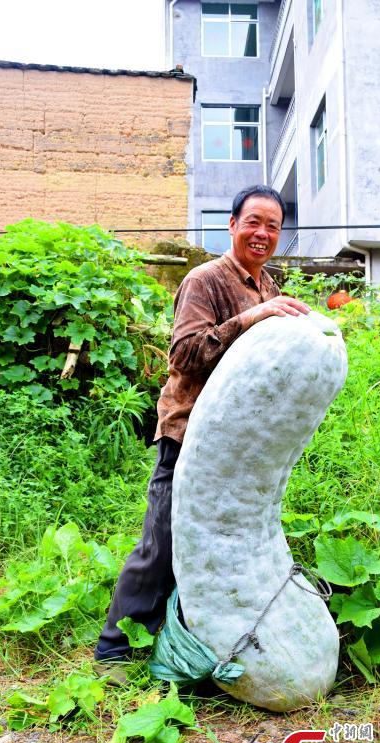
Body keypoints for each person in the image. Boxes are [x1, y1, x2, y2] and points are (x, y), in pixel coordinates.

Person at [94, 185, 310, 669]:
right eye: (253, 222)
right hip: (189, 433)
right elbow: (184, 356)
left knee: (215, 546)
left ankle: (184, 635)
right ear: (232, 225)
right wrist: (249, 318)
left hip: (237, 441)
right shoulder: (204, 280)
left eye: (273, 226)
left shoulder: (269, 288)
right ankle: (113, 650)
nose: (262, 233)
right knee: (164, 540)